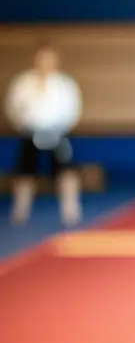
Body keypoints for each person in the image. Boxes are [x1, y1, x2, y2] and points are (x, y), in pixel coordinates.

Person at [4, 43, 83, 226]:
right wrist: (24, 126)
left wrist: (61, 128)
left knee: (66, 173)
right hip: (30, 132)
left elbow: (74, 110)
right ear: (35, 59)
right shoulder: (23, 82)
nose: (45, 62)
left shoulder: (65, 84)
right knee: (25, 173)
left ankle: (71, 210)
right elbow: (13, 108)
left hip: (58, 133)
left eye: (49, 57)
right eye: (41, 57)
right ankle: (20, 211)